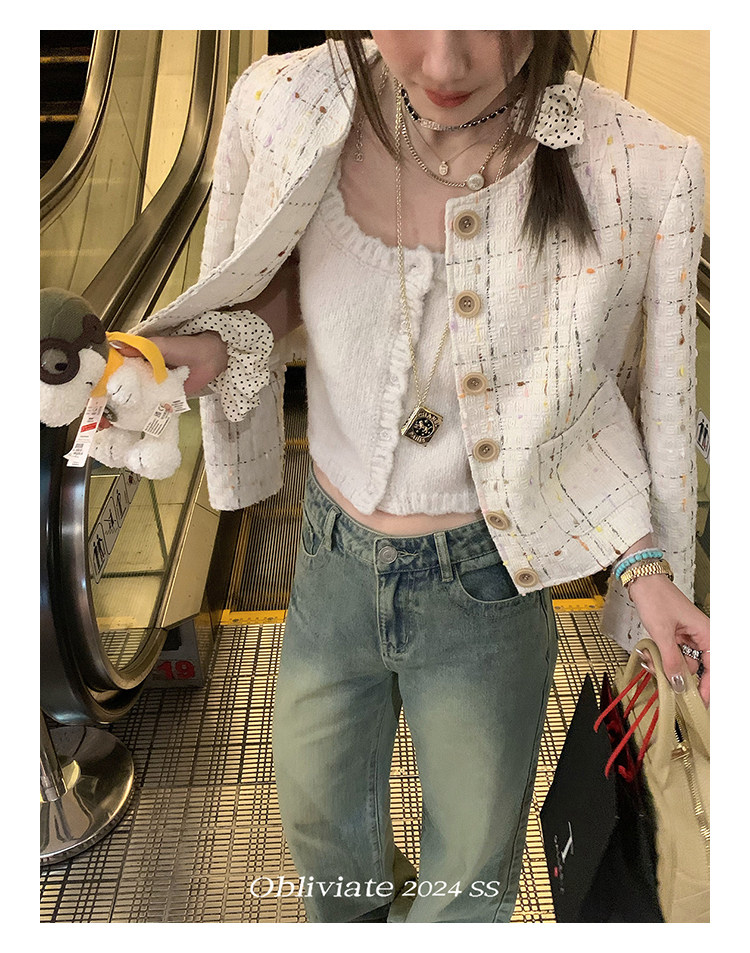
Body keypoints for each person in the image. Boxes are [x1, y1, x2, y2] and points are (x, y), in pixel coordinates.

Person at [119, 31, 710, 922]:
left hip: (488, 582)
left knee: (469, 863)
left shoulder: (635, 164)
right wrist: (203, 349)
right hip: (329, 557)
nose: (443, 64)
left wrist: (647, 567)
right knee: (320, 826)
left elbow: (607, 401)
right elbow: (282, 282)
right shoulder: (289, 105)